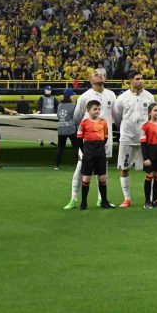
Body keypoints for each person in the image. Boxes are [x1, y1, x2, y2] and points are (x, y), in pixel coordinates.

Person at [64, 69, 117, 210]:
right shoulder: (85, 96)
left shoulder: (111, 95)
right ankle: (74, 199)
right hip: (88, 140)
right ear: (90, 79)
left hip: (105, 138)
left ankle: (101, 199)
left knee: (103, 169)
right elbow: (77, 117)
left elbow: (114, 115)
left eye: (102, 74)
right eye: (96, 74)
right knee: (80, 168)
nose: (100, 75)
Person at [114, 72, 154, 207]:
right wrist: (126, 128)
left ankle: (152, 197)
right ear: (130, 81)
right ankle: (127, 198)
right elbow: (118, 117)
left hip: (144, 138)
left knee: (150, 168)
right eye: (138, 79)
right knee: (124, 167)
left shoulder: (149, 96)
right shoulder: (122, 98)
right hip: (127, 137)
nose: (141, 81)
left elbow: (152, 116)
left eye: (142, 78)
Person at [76, 101, 112, 210]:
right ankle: (83, 203)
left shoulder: (103, 122)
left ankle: (104, 202)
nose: (97, 111)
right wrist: (85, 151)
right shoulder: (84, 123)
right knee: (86, 178)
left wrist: (99, 148)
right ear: (88, 111)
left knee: (102, 177)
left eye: (98, 109)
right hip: (88, 153)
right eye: (95, 109)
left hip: (100, 153)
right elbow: (79, 140)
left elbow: (105, 138)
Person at [54, 88, 79, 170]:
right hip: (71, 128)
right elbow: (76, 117)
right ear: (69, 96)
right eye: (72, 95)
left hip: (61, 128)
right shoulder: (73, 105)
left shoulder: (59, 105)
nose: (73, 97)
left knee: (60, 148)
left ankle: (56, 165)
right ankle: (79, 164)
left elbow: (58, 116)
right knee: (76, 147)